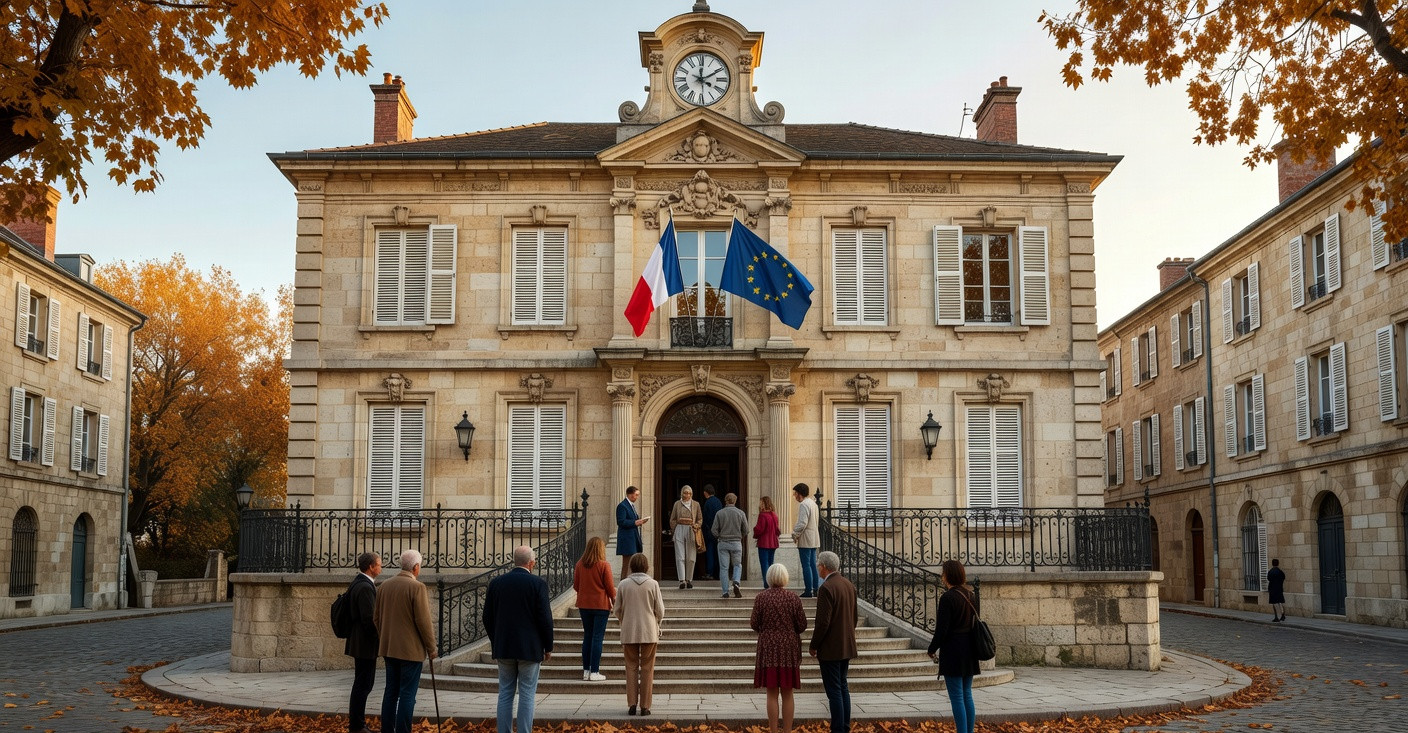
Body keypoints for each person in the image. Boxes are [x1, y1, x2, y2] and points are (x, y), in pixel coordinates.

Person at [484, 546, 554, 733]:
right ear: (531, 563)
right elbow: (545, 618)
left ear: (514, 561)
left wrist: (496, 639)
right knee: (527, 694)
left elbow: (487, 617)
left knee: (505, 693)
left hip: (504, 646)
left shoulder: (496, 583)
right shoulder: (537, 584)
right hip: (529, 649)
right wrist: (548, 646)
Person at [373, 549, 437, 733]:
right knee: (408, 694)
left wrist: (385, 637)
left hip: (389, 648)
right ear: (416, 567)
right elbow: (423, 621)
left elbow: (376, 618)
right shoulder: (417, 587)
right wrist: (431, 647)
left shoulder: (384, 586)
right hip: (410, 651)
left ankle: (387, 729)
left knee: (390, 692)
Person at [751, 564, 807, 733]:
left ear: (769, 578)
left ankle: (774, 730)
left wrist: (767, 628)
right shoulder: (793, 598)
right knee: (788, 693)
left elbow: (754, 623)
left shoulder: (761, 598)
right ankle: (787, 731)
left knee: (772, 693)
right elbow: (802, 625)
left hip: (768, 646)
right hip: (788, 648)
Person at [926, 560, 979, 733]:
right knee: (967, 694)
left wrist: (932, 649)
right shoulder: (972, 595)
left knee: (956, 697)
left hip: (953, 651)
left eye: (943, 573)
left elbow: (942, 630)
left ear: (948, 575)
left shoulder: (947, 597)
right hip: (970, 649)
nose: (942, 576)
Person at [809, 551, 857, 733]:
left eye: (818, 564)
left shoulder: (826, 588)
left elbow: (822, 622)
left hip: (831, 648)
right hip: (846, 644)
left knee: (834, 690)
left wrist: (814, 645)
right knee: (843, 686)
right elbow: (854, 616)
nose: (817, 567)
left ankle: (838, 728)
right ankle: (844, 726)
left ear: (824, 566)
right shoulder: (848, 584)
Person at [616, 552, 664, 717]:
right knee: (647, 668)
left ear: (631, 566)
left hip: (629, 630)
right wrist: (657, 621)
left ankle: (631, 704)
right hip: (649, 630)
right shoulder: (653, 584)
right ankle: (645, 706)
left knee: (630, 667)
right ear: (646, 566)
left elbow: (617, 609)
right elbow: (660, 610)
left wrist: (624, 620)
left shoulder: (623, 584)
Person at [344, 552, 381, 733]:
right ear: (371, 567)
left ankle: (357, 723)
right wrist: (378, 638)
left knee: (362, 683)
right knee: (363, 684)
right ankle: (357, 725)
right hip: (365, 643)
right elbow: (369, 619)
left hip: (360, 640)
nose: (380, 568)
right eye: (379, 564)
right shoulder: (365, 586)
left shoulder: (359, 582)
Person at [572, 537, 616, 681]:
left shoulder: (579, 564)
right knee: (597, 637)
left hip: (584, 605)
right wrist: (615, 601)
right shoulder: (604, 565)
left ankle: (586, 671)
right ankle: (595, 671)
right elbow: (610, 588)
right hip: (600, 605)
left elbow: (576, 586)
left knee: (587, 636)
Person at [712, 492, 748, 597]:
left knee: (724, 568)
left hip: (723, 542)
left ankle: (725, 591)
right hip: (736, 542)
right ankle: (736, 581)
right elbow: (746, 530)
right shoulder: (741, 513)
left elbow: (714, 530)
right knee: (737, 565)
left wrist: (719, 536)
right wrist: (739, 536)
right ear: (735, 501)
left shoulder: (719, 513)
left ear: (726, 501)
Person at [669, 485, 703, 588]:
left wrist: (696, 526)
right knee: (680, 556)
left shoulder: (696, 504)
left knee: (691, 556)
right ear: (681, 493)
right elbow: (673, 518)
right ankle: (682, 580)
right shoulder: (677, 504)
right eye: (685, 493)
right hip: (680, 528)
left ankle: (689, 579)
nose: (687, 495)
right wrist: (675, 529)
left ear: (691, 494)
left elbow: (700, 518)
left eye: (689, 493)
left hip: (691, 529)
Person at [791, 483, 820, 598]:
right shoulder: (813, 503)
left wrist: (794, 534)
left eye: (795, 493)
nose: (794, 496)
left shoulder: (803, 504)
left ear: (800, 494)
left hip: (806, 539)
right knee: (813, 565)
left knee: (806, 565)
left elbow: (802, 523)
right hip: (814, 538)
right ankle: (816, 588)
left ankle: (808, 590)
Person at [616, 486, 649, 579]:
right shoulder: (622, 506)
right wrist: (635, 522)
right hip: (627, 539)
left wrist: (640, 521)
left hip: (633, 538)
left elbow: (633, 520)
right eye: (636, 495)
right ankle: (623, 585)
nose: (637, 497)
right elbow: (621, 521)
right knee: (627, 565)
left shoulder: (631, 506)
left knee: (631, 565)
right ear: (630, 494)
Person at [753, 497, 781, 588]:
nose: (759, 504)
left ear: (764, 504)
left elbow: (759, 529)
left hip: (764, 542)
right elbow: (778, 530)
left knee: (764, 564)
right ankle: (772, 583)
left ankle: (767, 584)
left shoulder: (763, 515)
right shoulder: (774, 515)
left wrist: (754, 530)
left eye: (761, 502)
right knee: (771, 563)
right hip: (773, 542)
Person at [701, 484, 724, 580]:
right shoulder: (718, 502)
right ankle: (717, 573)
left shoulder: (707, 503)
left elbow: (706, 518)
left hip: (710, 532)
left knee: (710, 552)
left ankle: (710, 573)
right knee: (717, 552)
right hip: (719, 531)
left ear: (706, 493)